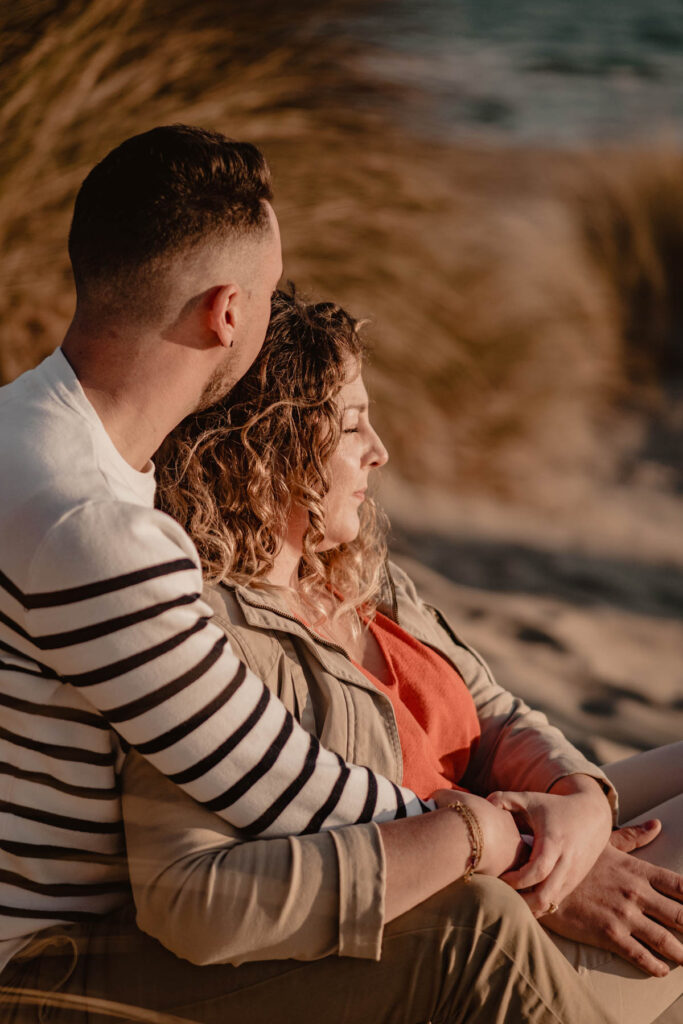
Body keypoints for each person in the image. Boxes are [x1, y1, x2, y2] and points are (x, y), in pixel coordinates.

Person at [0, 124, 496, 1017]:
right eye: (267, 296)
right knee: (476, 936)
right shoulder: (91, 524)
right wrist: (491, 830)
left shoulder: (23, 433)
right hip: (44, 970)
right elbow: (277, 784)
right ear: (227, 312)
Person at [112, 290, 681, 1023]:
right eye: (352, 425)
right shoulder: (218, 638)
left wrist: (578, 800)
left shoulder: (360, 577)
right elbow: (198, 900)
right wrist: (528, 863)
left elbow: (497, 716)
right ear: (262, 448)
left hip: (516, 848)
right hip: (467, 920)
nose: (378, 451)